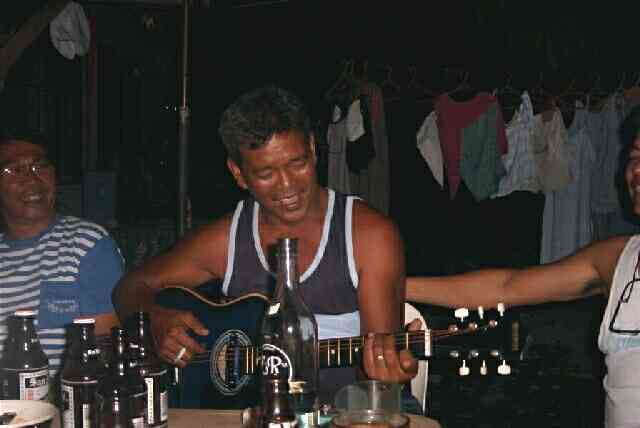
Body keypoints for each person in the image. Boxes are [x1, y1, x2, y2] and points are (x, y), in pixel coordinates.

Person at [111, 85, 418, 406]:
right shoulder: (225, 240)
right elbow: (130, 287)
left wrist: (387, 374)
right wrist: (152, 320)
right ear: (238, 174)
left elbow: (380, 384)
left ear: (313, 149)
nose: (287, 185)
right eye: (266, 173)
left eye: (297, 163)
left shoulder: (368, 236)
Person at [405, 134, 640, 428]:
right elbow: (505, 287)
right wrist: (394, 286)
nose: (636, 169)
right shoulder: (616, 258)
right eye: (634, 156)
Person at [0, 129, 124, 374]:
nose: (32, 179)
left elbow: (109, 346)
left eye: (40, 166)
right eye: (15, 170)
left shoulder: (85, 242)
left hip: (69, 393)